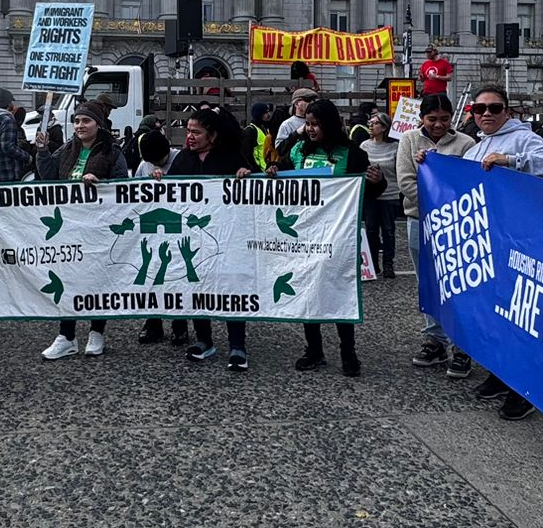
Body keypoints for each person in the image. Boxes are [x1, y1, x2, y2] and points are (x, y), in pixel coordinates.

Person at [461, 86, 543, 415]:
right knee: (493, 315)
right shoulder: (474, 149)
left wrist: (514, 160)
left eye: (495, 108)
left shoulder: (523, 138)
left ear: (508, 111)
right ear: (473, 113)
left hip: (520, 242)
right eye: (480, 109)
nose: (487, 114)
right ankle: (499, 374)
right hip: (488, 244)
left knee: (518, 316)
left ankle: (523, 388)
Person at [277, 96, 370, 377]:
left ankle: (348, 351)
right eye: (308, 124)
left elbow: (368, 190)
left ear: (329, 124)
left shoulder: (351, 153)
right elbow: (282, 173)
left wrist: (377, 182)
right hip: (304, 233)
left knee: (339, 291)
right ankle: (314, 349)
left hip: (338, 235)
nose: (311, 129)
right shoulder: (298, 150)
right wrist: (273, 171)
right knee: (309, 293)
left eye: (316, 124)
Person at [168, 104, 256, 368]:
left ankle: (237, 346)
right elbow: (169, 195)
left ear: (213, 136)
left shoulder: (231, 158)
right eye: (188, 131)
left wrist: (245, 176)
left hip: (228, 238)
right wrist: (159, 180)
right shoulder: (183, 159)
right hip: (193, 239)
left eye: (196, 132)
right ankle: (204, 341)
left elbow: (251, 192)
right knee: (197, 288)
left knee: (232, 289)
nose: (190, 137)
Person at [42, 105, 128, 360]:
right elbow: (47, 175)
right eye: (77, 121)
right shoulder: (67, 149)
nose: (80, 126)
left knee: (97, 279)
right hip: (70, 225)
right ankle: (66, 335)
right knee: (68, 279)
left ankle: (97, 332)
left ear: (98, 125)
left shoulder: (112, 152)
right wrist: (41, 150)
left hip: (98, 227)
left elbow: (123, 186)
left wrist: (102, 184)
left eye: (86, 121)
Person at [399, 92, 474, 374]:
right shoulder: (409, 140)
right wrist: (432, 203)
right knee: (428, 283)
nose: (438, 125)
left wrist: (447, 207)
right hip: (419, 220)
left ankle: (462, 345)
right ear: (421, 119)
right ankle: (435, 339)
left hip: (456, 224)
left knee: (459, 284)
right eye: (432, 119)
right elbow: (406, 181)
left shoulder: (467, 143)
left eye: (444, 119)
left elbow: (468, 183)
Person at [132, 125, 189, 346]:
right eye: (152, 161)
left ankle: (179, 324)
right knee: (152, 275)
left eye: (160, 160)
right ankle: (152, 322)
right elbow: (132, 192)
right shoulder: (144, 164)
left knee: (178, 275)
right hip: (151, 228)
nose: (156, 165)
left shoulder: (181, 159)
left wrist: (168, 179)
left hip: (177, 226)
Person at [359, 113, 401, 277]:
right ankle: (373, 263)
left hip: (390, 193)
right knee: (371, 230)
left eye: (375, 123)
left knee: (389, 230)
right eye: (370, 122)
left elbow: (399, 169)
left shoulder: (395, 147)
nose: (371, 125)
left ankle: (388, 264)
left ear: (384, 127)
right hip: (370, 195)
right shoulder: (364, 146)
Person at [274, 91, 315, 156]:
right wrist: (297, 133)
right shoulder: (287, 124)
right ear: (296, 103)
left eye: (313, 100)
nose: (312, 103)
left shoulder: (316, 121)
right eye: (308, 100)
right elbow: (280, 150)